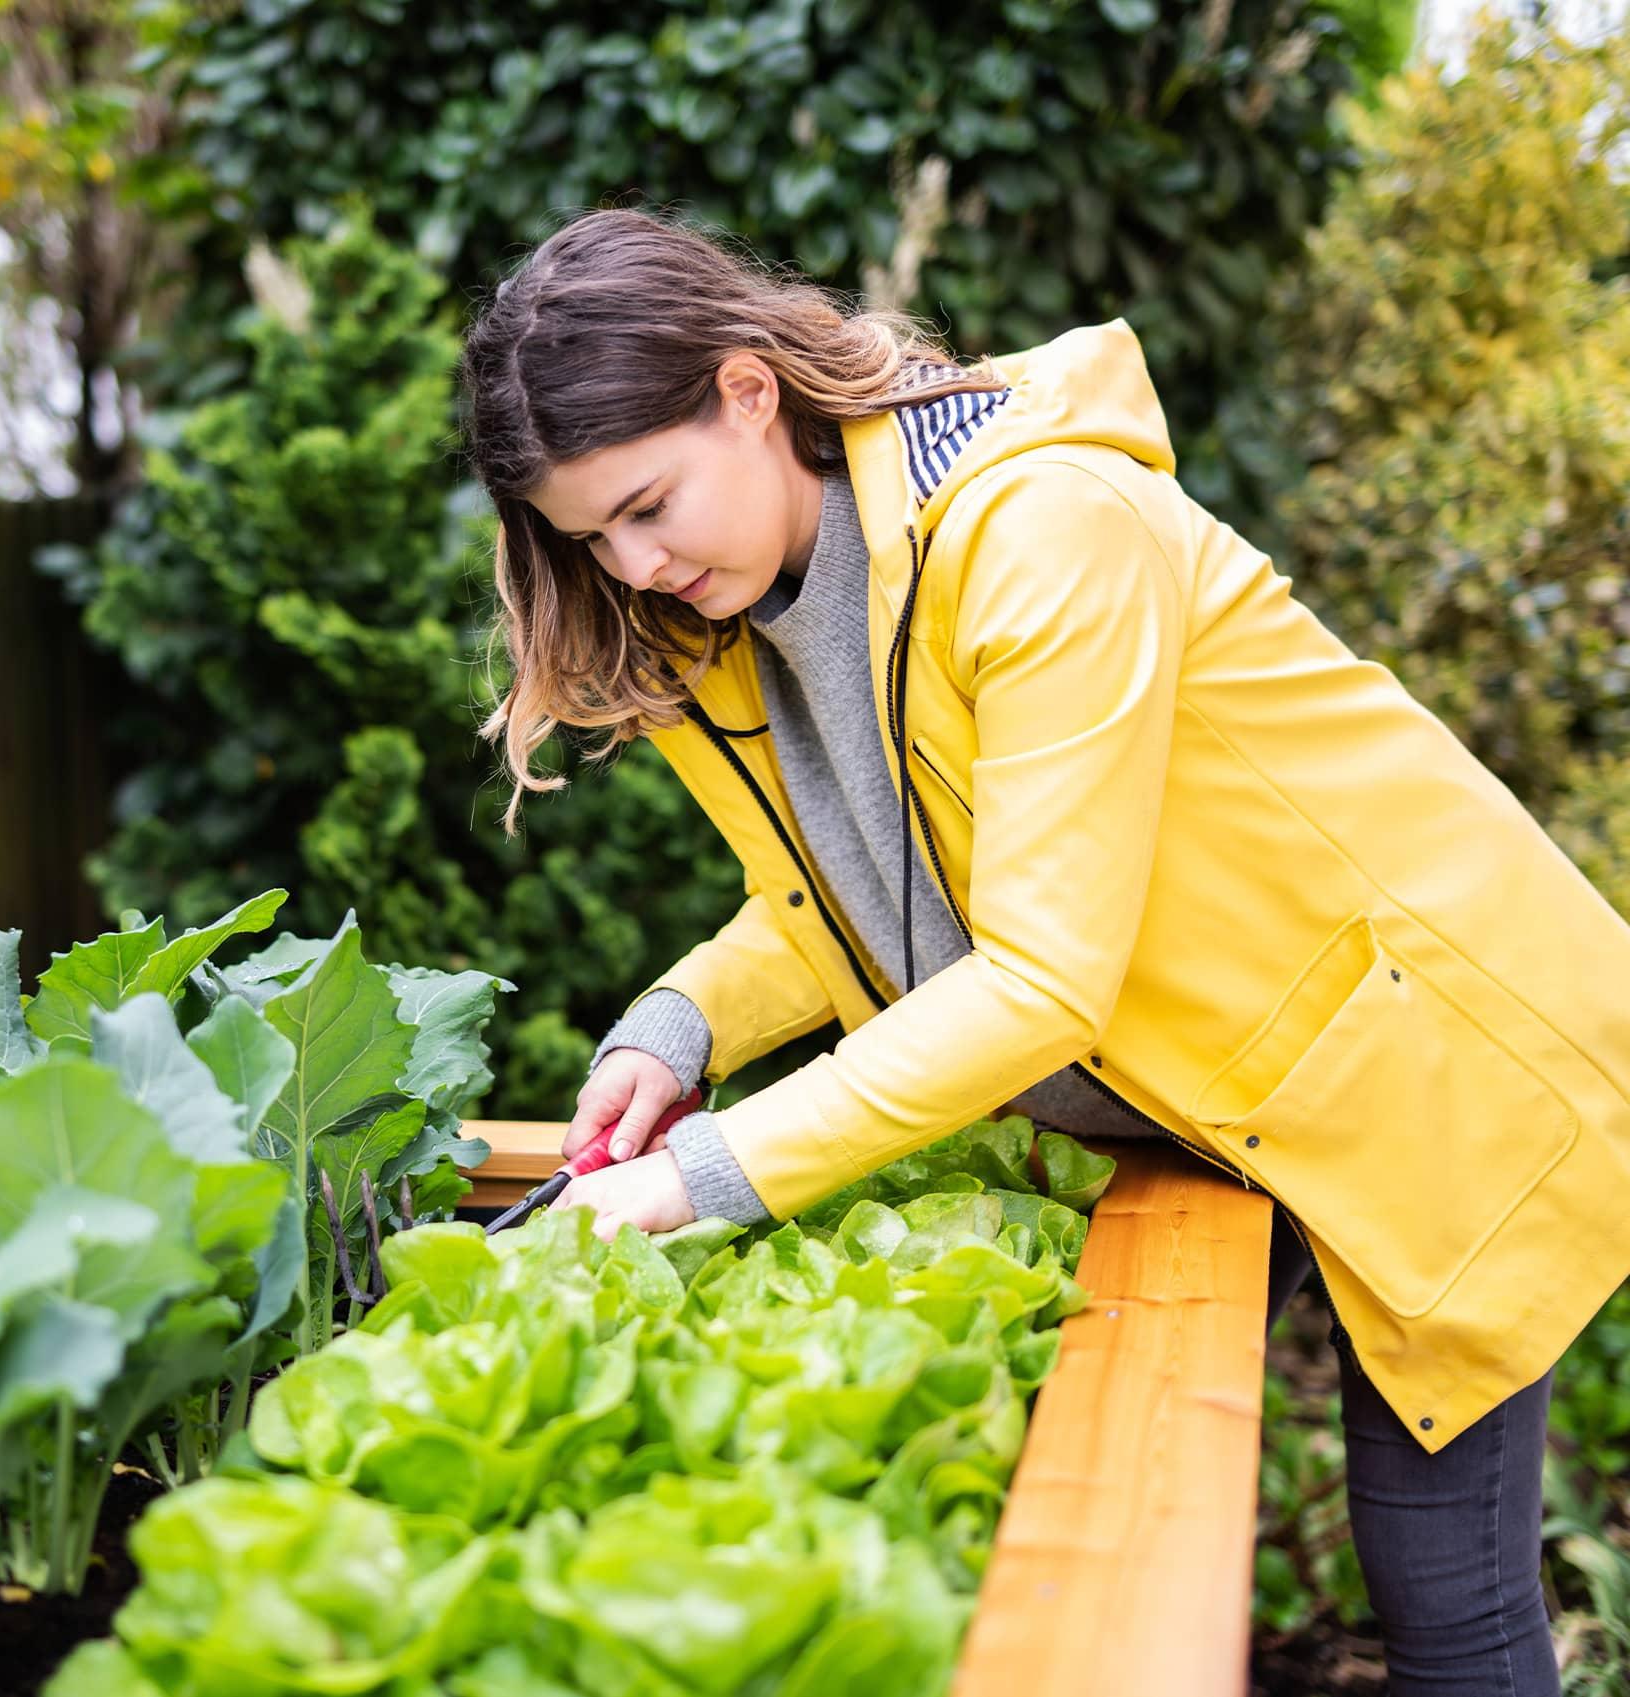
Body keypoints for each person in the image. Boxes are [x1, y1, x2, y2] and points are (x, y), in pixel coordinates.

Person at [458, 204, 1627, 1694]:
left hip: (1432, 1055)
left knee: (1445, 1594)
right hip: (1216, 1090)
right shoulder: (768, 601)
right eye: (591, 539)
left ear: (750, 392)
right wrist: (673, 1028)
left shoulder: (1037, 530)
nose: (632, 566)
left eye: (648, 504)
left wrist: (701, 1177)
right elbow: (853, 904)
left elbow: (1037, 977)